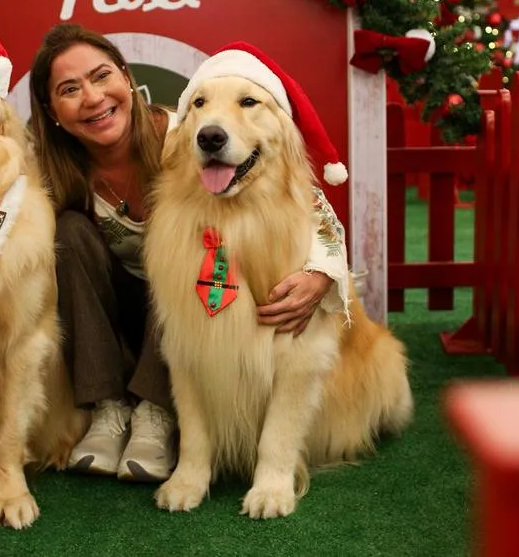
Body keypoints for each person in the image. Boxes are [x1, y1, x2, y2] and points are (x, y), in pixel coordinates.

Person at [28, 24, 350, 483]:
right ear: (53, 111)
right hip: (110, 318)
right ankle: (108, 409)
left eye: (102, 77)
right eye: (69, 89)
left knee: (190, 256)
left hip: (189, 311)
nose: (93, 97)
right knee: (68, 231)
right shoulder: (49, 167)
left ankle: (157, 414)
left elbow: (308, 206)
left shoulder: (185, 134)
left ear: (126, 77)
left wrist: (320, 273)